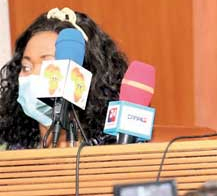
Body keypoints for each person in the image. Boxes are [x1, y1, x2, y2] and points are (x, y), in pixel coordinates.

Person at [0, 8, 128, 150]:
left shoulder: (113, 152)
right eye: (26, 67)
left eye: (47, 64)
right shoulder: (8, 155)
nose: (33, 75)